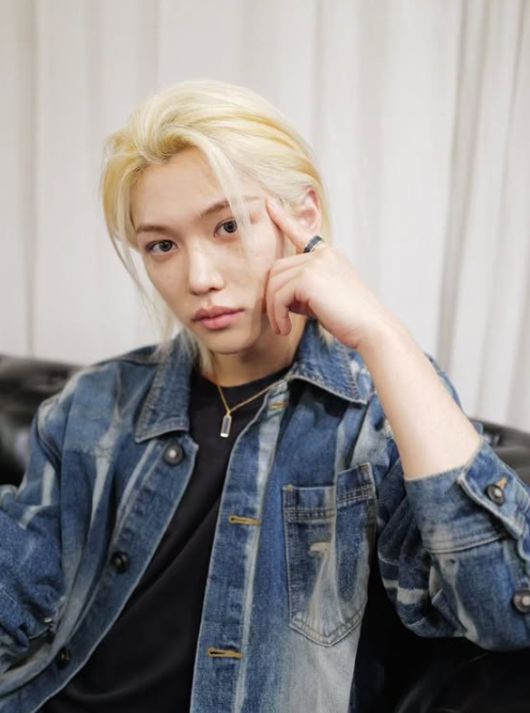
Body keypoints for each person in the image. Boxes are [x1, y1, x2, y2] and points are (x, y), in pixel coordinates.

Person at [0, 79, 529, 713]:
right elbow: (18, 597)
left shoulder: (377, 417)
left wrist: (382, 335)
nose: (199, 278)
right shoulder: (93, 404)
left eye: (228, 225)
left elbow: (505, 609)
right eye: (162, 245)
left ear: (303, 217)